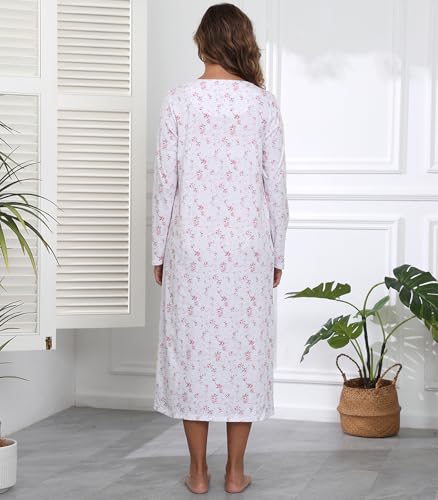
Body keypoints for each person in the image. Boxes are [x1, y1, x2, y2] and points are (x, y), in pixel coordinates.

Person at [151, 3, 289, 494]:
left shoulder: (178, 101)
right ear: (242, 42)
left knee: (192, 353)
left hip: (190, 247)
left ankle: (197, 471)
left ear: (202, 43)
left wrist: (158, 252)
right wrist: (277, 253)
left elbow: (165, 184)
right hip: (248, 248)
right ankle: (234, 472)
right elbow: (276, 188)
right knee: (242, 355)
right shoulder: (262, 104)